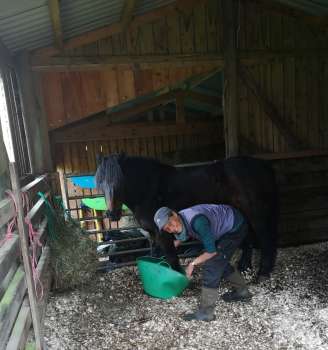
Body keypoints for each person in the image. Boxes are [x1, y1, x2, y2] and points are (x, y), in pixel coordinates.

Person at [154, 204, 252, 322]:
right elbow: (183, 232)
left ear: (174, 214)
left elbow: (211, 252)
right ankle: (242, 291)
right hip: (222, 227)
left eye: (170, 224)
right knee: (220, 260)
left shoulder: (198, 221)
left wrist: (192, 264)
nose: (171, 229)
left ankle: (206, 313)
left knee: (212, 265)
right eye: (167, 229)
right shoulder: (180, 219)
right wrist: (172, 246)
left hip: (235, 226)